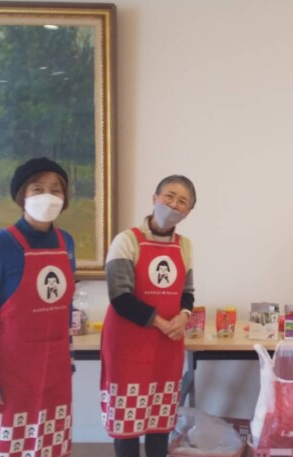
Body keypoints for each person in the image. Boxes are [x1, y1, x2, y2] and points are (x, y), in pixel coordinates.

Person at [0, 157, 75, 457]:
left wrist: (68, 358)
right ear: (22, 196)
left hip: (53, 372)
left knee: (49, 446)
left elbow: (64, 309)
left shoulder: (66, 242)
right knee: (6, 447)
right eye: (38, 189)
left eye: (56, 189)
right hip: (6, 376)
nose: (48, 196)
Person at [100, 175, 196, 457]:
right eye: (169, 196)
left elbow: (187, 292)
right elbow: (120, 297)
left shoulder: (185, 245)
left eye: (183, 202)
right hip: (127, 345)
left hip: (166, 346)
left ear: (188, 212)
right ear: (154, 199)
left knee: (160, 422)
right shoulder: (126, 240)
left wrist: (184, 315)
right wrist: (161, 323)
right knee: (126, 425)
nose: (174, 205)